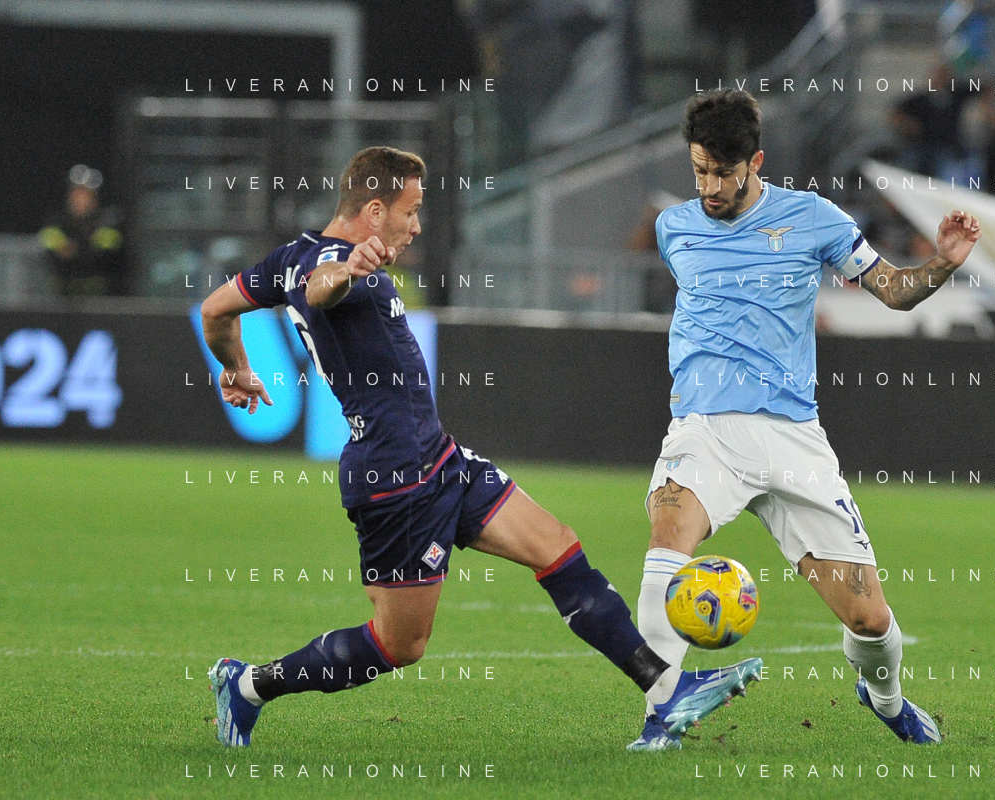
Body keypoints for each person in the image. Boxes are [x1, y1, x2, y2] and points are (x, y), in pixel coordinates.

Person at [198, 146, 761, 747]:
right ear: (374, 211)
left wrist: (236, 367)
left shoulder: (290, 255)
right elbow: (319, 290)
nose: (417, 226)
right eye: (411, 211)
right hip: (395, 480)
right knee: (399, 645)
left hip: (439, 459)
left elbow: (215, 310)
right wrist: (349, 271)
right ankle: (249, 686)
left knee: (558, 549)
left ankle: (665, 692)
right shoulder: (328, 262)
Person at [627, 90, 982, 751]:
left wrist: (942, 263)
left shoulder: (813, 218)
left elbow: (892, 291)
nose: (709, 187)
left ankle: (885, 698)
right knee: (666, 540)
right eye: (699, 170)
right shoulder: (675, 227)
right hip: (704, 429)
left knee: (870, 620)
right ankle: (661, 716)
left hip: (792, 438)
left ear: (755, 162)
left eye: (723, 173)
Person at [38, 165, 124, 296]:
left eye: (86, 194)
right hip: (62, 296)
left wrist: (76, 248)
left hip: (100, 297)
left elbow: (104, 258)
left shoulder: (108, 222)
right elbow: (54, 255)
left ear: (95, 198)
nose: (81, 199)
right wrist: (85, 246)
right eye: (77, 193)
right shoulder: (56, 222)